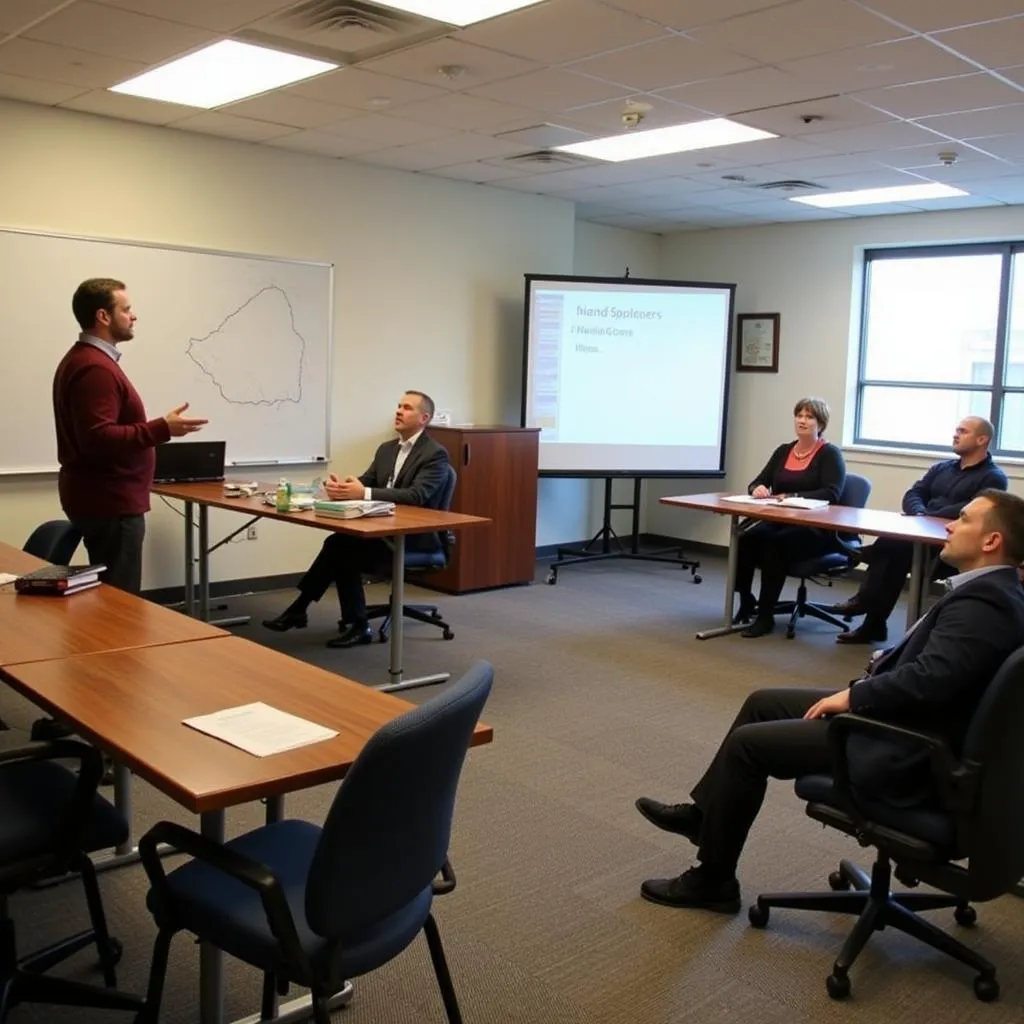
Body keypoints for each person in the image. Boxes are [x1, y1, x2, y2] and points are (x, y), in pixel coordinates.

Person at [634, 489, 1024, 914]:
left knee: (749, 746)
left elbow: (932, 680)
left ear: (991, 541)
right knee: (763, 702)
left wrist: (855, 697)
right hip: (910, 722)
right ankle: (704, 815)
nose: (949, 524)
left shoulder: (986, 603)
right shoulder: (991, 592)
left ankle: (713, 880)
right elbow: (938, 674)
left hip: (903, 746)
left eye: (963, 519)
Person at [53, 278, 207, 593]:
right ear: (103, 317)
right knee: (120, 602)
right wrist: (162, 428)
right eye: (126, 309)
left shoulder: (87, 360)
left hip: (103, 498)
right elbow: (98, 438)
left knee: (111, 599)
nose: (133, 316)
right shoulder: (95, 368)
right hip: (110, 502)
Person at [263, 391, 450, 648]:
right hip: (384, 530)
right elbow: (368, 481)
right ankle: (321, 615)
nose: (398, 411)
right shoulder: (386, 449)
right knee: (338, 543)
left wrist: (364, 492)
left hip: (416, 539)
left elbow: (417, 495)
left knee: (342, 549)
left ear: (424, 418)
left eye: (406, 408)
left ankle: (328, 616)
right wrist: (343, 488)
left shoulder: (435, 454)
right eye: (398, 406)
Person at [827, 416, 1006, 644]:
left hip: (950, 547)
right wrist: (920, 513)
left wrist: (929, 514)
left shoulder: (994, 477)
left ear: (982, 439)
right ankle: (872, 618)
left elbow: (970, 509)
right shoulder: (941, 468)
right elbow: (913, 494)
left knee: (891, 548)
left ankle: (868, 599)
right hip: (917, 540)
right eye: (956, 430)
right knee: (894, 549)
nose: (955, 434)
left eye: (963, 431)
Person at [733, 397, 846, 638]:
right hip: (779, 520)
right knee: (745, 537)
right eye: (799, 416)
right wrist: (757, 489)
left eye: (809, 417)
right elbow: (758, 480)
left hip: (814, 528)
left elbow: (832, 492)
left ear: (821, 423)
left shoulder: (829, 454)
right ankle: (746, 599)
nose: (802, 421)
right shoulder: (784, 450)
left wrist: (793, 496)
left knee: (774, 546)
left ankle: (765, 616)